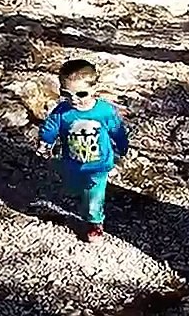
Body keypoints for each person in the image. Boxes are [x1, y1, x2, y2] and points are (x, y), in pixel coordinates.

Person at [39, 59, 129, 243]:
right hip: (72, 162)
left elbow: (117, 129)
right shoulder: (62, 111)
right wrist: (45, 141)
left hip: (98, 165)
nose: (74, 99)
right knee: (74, 186)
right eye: (66, 94)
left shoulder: (103, 111)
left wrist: (122, 145)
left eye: (81, 93)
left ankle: (94, 223)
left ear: (94, 88)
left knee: (94, 196)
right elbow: (50, 127)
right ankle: (78, 194)